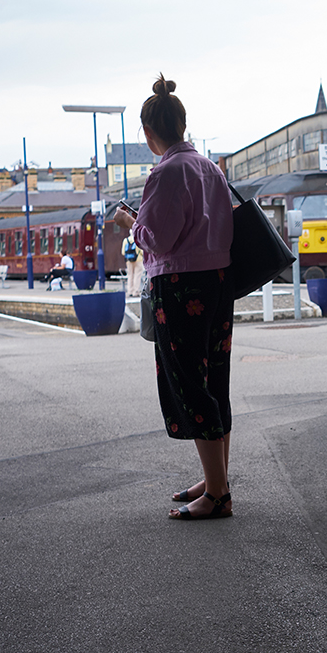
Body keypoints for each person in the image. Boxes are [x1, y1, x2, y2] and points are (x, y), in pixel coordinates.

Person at [113, 74, 235, 521]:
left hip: (182, 287)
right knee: (214, 380)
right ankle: (216, 476)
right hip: (219, 282)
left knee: (189, 382)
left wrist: (132, 225)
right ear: (183, 123)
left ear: (149, 133)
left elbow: (158, 240)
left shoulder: (166, 173)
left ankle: (218, 495)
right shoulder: (208, 168)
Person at [122, 231, 144, 297]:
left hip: (129, 261)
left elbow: (123, 252)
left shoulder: (125, 240)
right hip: (138, 260)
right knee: (137, 275)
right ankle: (136, 291)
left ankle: (130, 291)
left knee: (130, 275)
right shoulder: (137, 239)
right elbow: (142, 251)